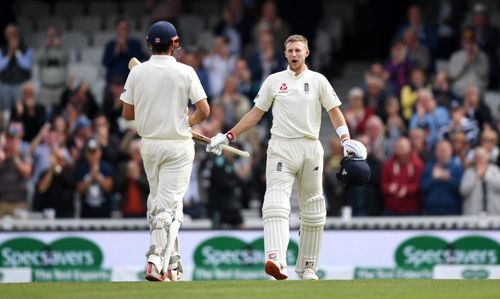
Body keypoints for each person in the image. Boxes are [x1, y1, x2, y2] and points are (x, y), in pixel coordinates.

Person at [206, 35, 366, 280]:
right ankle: (276, 260)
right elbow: (255, 114)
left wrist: (345, 140)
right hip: (281, 146)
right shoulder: (273, 81)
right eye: (290, 50)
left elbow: (334, 112)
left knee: (313, 208)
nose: (294, 54)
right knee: (276, 201)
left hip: (311, 148)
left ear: (307, 53)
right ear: (285, 54)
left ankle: (308, 267)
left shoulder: (318, 81)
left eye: (298, 50)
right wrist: (228, 136)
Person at [120, 21, 210, 282]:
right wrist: (185, 122)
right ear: (175, 43)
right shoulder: (186, 71)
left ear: (150, 45)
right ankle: (154, 259)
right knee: (168, 207)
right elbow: (204, 111)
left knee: (160, 204)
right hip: (178, 145)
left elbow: (127, 113)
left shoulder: (137, 73)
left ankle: (172, 263)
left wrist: (154, 113)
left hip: (149, 146)